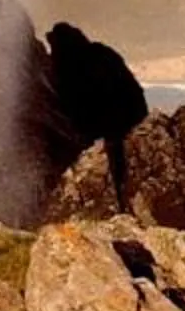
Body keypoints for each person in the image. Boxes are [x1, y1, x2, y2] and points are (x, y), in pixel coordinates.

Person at [45, 21, 150, 212]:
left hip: (104, 131)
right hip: (127, 124)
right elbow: (133, 93)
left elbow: (76, 104)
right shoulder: (102, 53)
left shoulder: (67, 66)